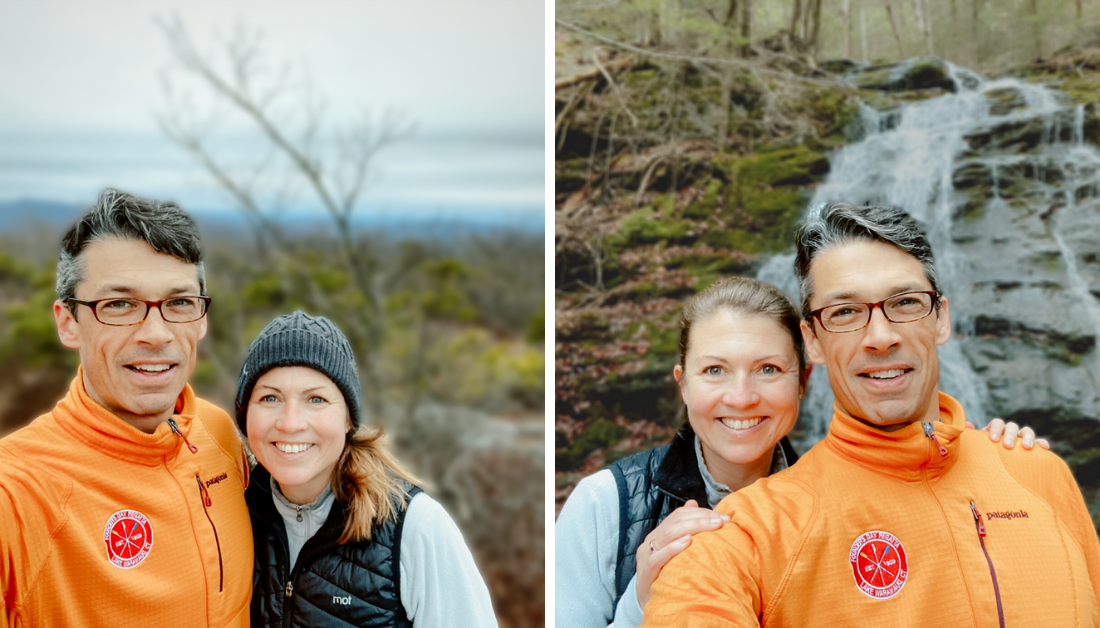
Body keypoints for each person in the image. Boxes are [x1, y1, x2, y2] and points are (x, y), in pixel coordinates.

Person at [641, 202, 1100, 626]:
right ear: (814, 341)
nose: (880, 336)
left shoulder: (1038, 473)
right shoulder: (758, 526)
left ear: (940, 318)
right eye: (845, 311)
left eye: (904, 303)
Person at [556, 277, 1042, 628]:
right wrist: (642, 604)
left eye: (768, 369)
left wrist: (992, 461)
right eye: (715, 371)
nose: (742, 396)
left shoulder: (847, 499)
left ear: (804, 382)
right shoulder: (606, 506)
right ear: (683, 385)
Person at [0, 189, 252, 627]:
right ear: (67, 322)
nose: (156, 334)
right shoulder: (19, 494)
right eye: (119, 304)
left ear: (202, 318)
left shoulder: (217, 431)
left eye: (178, 303)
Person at [237, 311, 497, 627]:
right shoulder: (231, 513)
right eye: (269, 397)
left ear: (348, 419)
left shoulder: (415, 527)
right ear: (245, 415)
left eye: (316, 399)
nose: (290, 423)